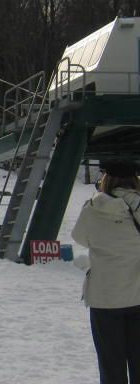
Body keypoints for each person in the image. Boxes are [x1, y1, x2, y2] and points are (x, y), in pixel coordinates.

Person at [72, 159, 140, 384]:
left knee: (111, 366)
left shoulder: (93, 208)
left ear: (106, 180)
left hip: (105, 299)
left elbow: (79, 237)